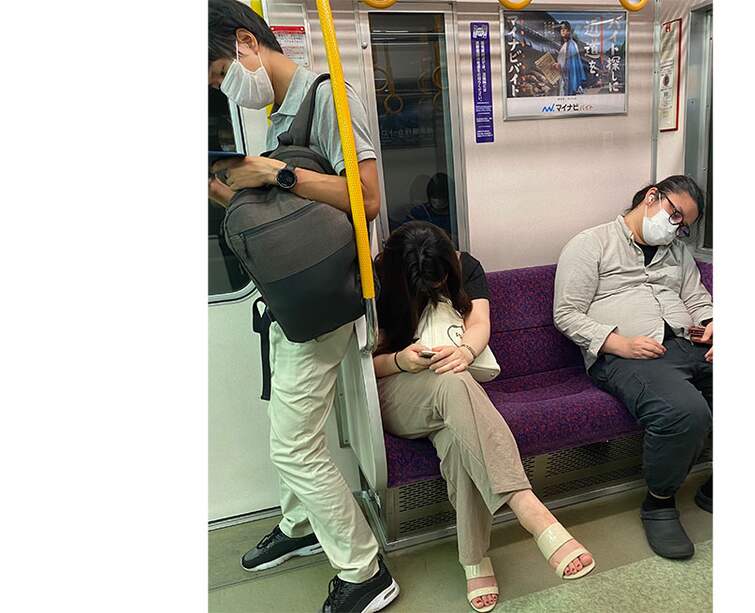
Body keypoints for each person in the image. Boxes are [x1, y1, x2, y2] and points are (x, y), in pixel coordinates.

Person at [207, 2, 399, 612]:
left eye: (218, 74)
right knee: (286, 423)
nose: (222, 88)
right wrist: (227, 191)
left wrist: (278, 176)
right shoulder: (278, 110)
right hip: (296, 296)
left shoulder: (331, 96)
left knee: (294, 444)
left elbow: (365, 200)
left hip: (328, 298)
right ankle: (297, 527)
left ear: (246, 45)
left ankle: (365, 572)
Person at [373, 221, 596, 613]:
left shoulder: (465, 266)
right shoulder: (375, 280)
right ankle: (530, 510)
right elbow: (363, 365)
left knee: (459, 440)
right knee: (454, 387)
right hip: (398, 390)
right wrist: (399, 360)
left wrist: (465, 353)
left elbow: (478, 324)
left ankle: (473, 558)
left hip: (453, 386)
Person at [553, 175, 713, 561]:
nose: (676, 228)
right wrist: (617, 342)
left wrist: (712, 325)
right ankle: (659, 503)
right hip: (628, 355)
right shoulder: (591, 244)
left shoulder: (675, 251)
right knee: (684, 412)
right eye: (674, 215)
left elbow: (696, 297)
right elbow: (566, 313)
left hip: (688, 344)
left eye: (684, 225)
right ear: (651, 197)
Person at [556, 21, 586, 96]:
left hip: (567, 78)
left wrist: (560, 67)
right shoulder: (566, 45)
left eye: (564, 29)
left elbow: (570, 65)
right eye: (561, 29)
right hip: (563, 77)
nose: (562, 31)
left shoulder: (571, 45)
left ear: (569, 31)